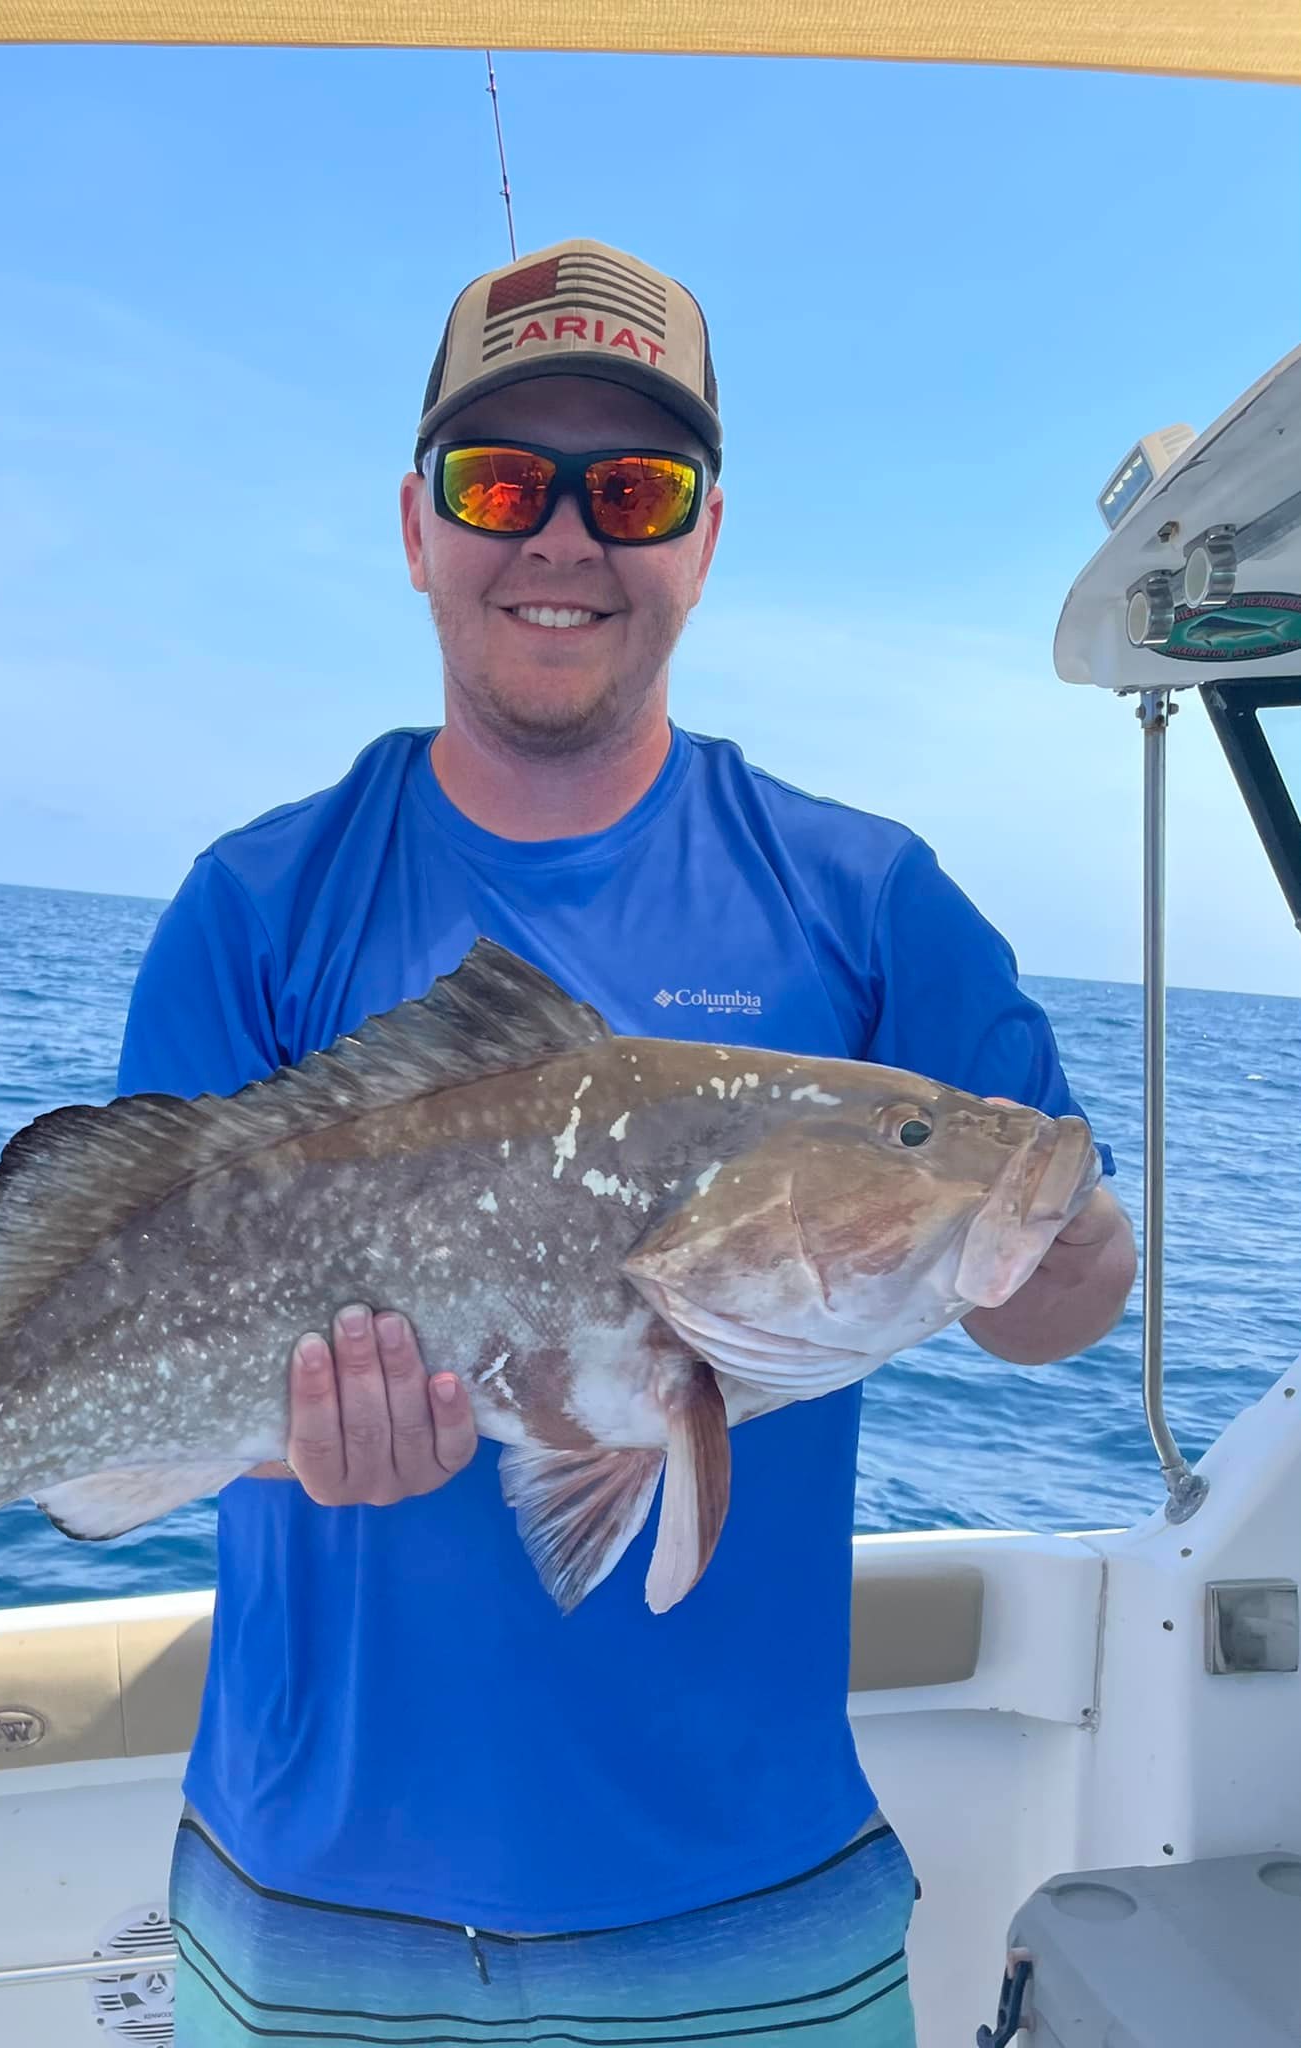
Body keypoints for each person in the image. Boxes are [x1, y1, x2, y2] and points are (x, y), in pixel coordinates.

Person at [114, 237, 1136, 2044]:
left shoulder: (868, 899)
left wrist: (1073, 1263)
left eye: (633, 487)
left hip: (743, 1904)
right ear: (417, 526)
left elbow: (1034, 1298)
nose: (564, 538)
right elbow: (135, 1304)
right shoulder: (254, 905)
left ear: (706, 537)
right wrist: (297, 1439)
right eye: (502, 482)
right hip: (307, 1901)